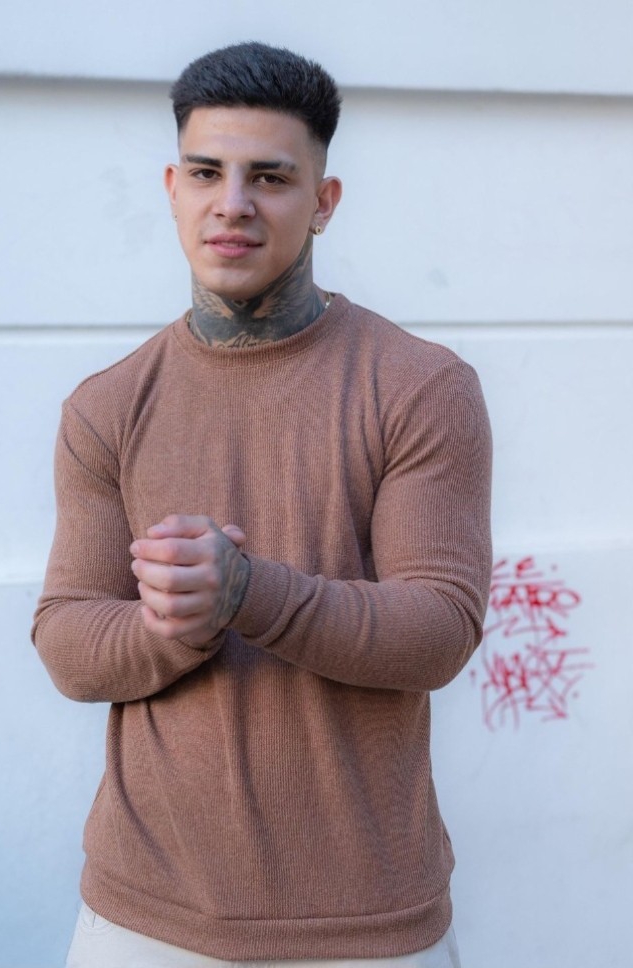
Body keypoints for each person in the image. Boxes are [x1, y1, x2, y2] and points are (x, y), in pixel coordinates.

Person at [32, 41, 492, 968]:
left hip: (367, 924)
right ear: (173, 189)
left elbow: (440, 628)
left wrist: (247, 591)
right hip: (142, 919)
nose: (232, 203)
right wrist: (174, 623)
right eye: (206, 173)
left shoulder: (420, 386)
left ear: (324, 201)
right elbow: (67, 641)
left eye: (271, 177)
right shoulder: (106, 406)